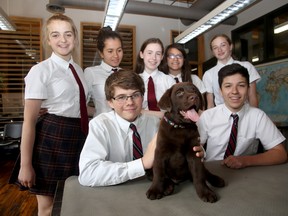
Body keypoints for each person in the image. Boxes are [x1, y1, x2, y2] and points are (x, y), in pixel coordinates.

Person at [13, 14, 88, 216]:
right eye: (56, 35)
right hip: (51, 140)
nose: (63, 40)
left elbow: (77, 107)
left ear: (75, 37)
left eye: (68, 34)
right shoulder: (40, 71)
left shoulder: (79, 70)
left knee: (72, 201)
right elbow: (28, 122)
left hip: (77, 138)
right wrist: (25, 165)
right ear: (48, 40)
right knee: (48, 208)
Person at [78, 71, 204, 186]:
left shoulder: (157, 124)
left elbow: (179, 155)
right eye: (121, 97)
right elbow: (87, 174)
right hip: (115, 191)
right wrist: (142, 163)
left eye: (135, 95)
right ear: (110, 102)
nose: (130, 102)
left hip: (151, 187)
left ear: (143, 97)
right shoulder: (100, 125)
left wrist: (198, 152)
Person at [197, 63, 287, 169]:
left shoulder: (258, 116)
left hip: (245, 175)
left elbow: (281, 154)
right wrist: (200, 153)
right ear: (221, 91)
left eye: (241, 85)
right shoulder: (207, 116)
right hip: (212, 170)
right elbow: (198, 147)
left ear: (248, 89)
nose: (235, 91)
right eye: (228, 86)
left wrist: (245, 160)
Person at [203, 34, 260, 109]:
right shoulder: (208, 74)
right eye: (215, 48)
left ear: (230, 46)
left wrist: (254, 117)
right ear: (213, 52)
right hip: (221, 115)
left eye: (223, 45)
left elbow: (252, 96)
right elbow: (210, 104)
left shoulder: (246, 66)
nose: (219, 50)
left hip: (245, 112)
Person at [84, 26, 123, 117]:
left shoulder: (126, 74)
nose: (116, 55)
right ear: (101, 53)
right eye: (110, 51)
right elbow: (80, 105)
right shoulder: (91, 73)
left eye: (119, 50)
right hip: (102, 126)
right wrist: (100, 112)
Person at [135, 38, 175, 118]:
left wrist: (141, 111)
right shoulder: (134, 81)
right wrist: (163, 114)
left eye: (158, 54)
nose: (153, 58)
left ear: (162, 56)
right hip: (139, 126)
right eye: (149, 53)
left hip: (164, 127)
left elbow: (175, 112)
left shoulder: (169, 81)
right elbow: (130, 110)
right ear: (142, 54)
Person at [160, 43, 206, 109]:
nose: (175, 59)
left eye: (179, 56)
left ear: (184, 59)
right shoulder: (161, 80)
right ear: (166, 59)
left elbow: (201, 105)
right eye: (171, 56)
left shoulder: (195, 79)